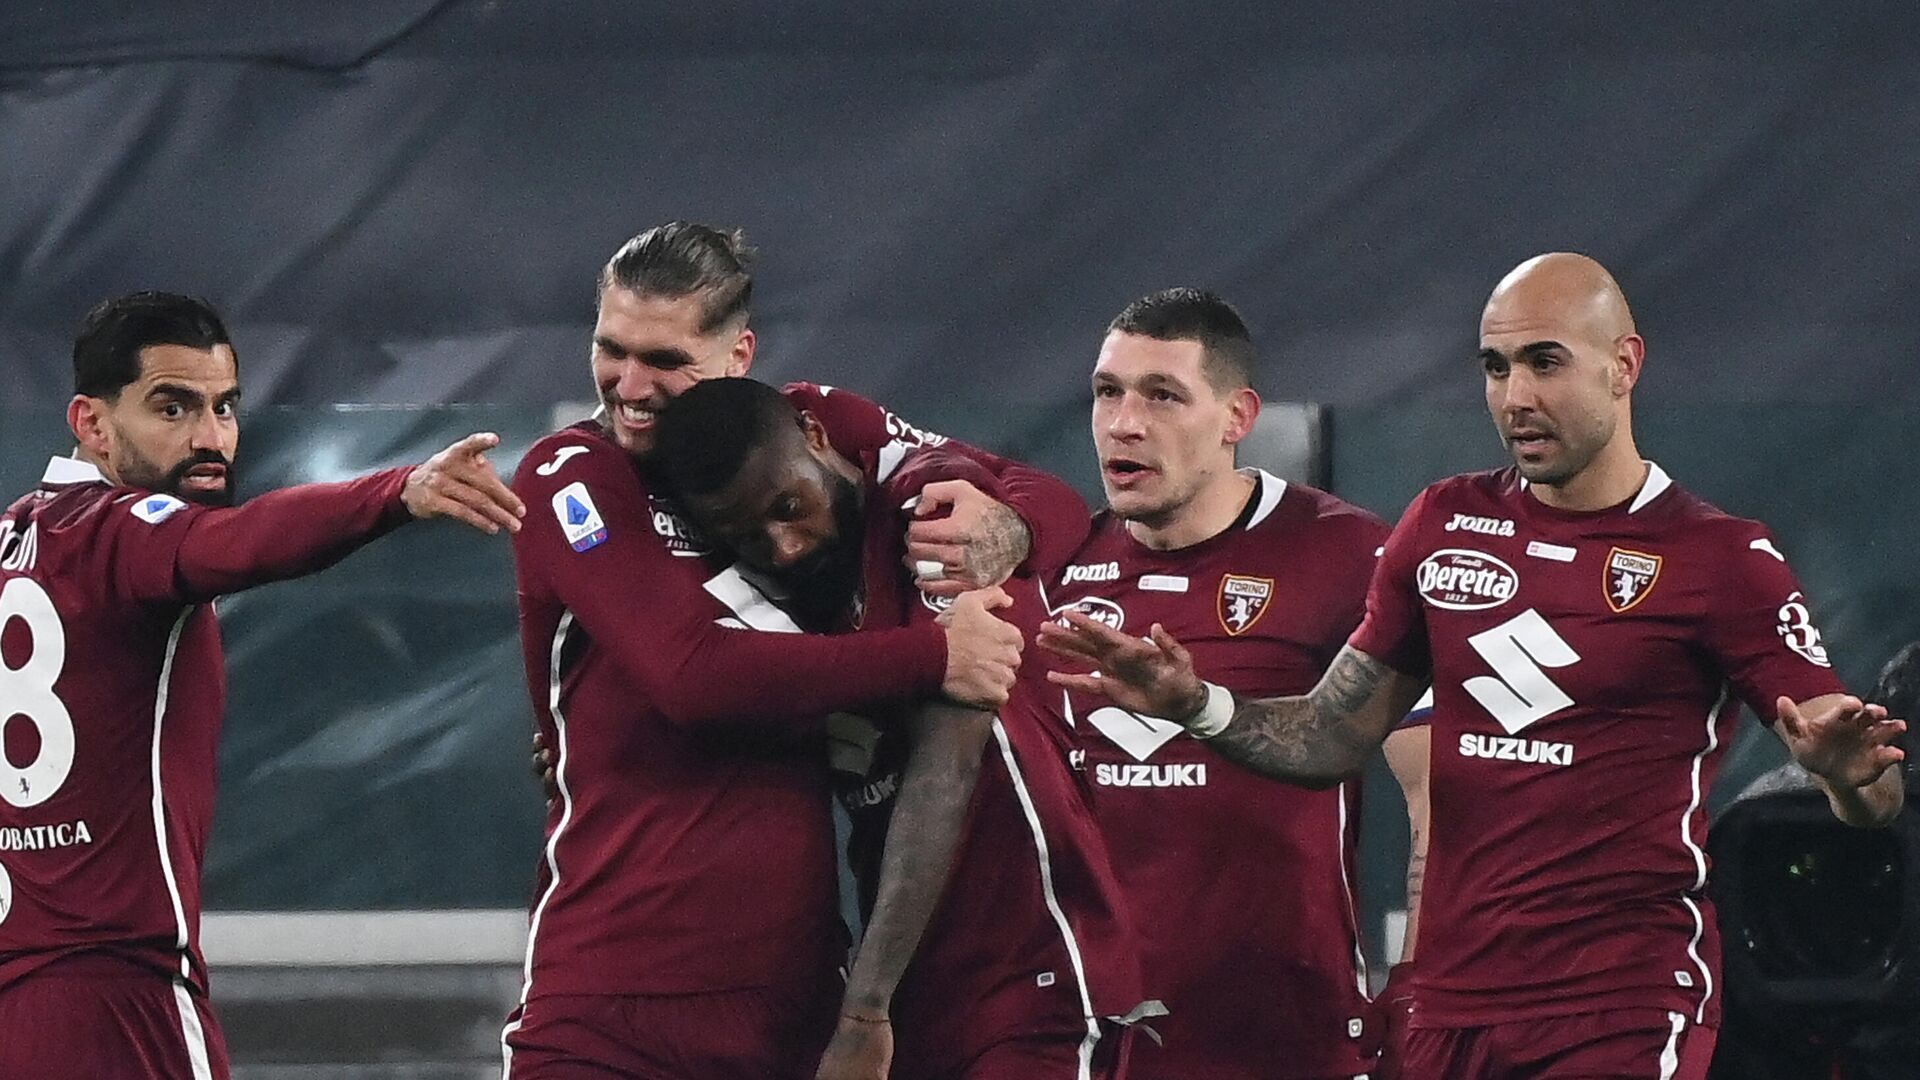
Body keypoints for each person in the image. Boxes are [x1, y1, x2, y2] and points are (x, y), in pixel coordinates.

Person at [1040, 252, 1906, 1080]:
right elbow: (1332, 734)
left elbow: (1866, 783)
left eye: (1544, 362)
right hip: (1451, 1010)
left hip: (1620, 998)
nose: (1516, 396)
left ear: (1624, 364)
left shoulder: (1721, 558)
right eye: (1496, 367)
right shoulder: (1442, 522)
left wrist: (1846, 779)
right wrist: (1197, 703)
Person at [502, 223, 1084, 1079]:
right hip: (609, 997)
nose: (629, 387)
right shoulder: (573, 476)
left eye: (664, 360)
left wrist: (1008, 527)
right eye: (609, 349)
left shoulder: (809, 425)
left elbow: (1051, 499)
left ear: (739, 352)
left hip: (795, 1004)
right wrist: (931, 657)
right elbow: (689, 677)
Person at [0, 290, 525, 1079]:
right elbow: (238, 544)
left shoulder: (18, 536)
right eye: (172, 409)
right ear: (92, 424)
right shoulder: (122, 535)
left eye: (224, 408)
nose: (210, 439)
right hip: (116, 999)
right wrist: (396, 492)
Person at [651, 376, 1151, 1080]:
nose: (784, 546)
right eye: (750, 536)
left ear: (816, 439)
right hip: (917, 984)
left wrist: (863, 1009)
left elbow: (947, 769)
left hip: (1032, 971)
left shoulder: (931, 515)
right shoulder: (783, 595)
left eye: (789, 507)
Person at [1041, 287, 1425, 1080]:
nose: (1124, 423)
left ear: (1237, 416)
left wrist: (1419, 991)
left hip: (1289, 1040)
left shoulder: (1350, 555)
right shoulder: (1060, 566)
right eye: (1107, 391)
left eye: (1163, 395)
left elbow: (1438, 801)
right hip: (1097, 1041)